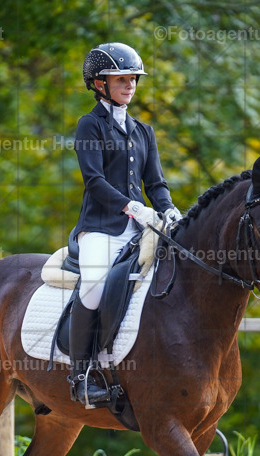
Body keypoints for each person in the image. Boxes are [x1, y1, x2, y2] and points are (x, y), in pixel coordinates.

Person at [68, 42, 182, 407]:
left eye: (133, 79)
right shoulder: (90, 125)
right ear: (99, 84)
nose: (130, 85)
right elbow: (94, 182)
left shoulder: (143, 130)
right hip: (101, 228)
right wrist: (133, 207)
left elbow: (157, 184)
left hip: (142, 227)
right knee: (94, 287)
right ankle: (81, 375)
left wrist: (168, 209)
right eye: (122, 79)